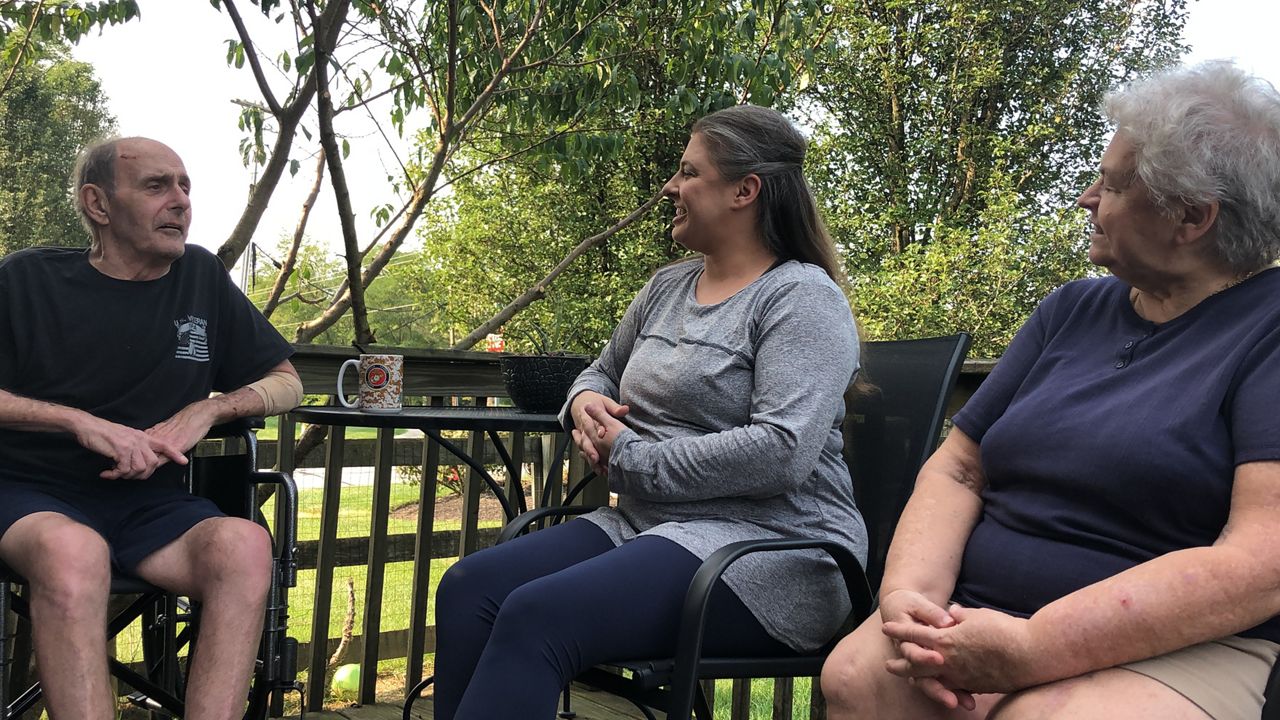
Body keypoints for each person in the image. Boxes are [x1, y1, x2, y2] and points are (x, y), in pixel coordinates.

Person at [820, 61, 1280, 720]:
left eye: (1112, 184)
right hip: (979, 612)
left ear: (1191, 216)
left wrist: (1035, 647)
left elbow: (1263, 561)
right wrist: (908, 604)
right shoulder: (1071, 310)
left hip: (1181, 648)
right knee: (858, 674)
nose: (1086, 198)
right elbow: (959, 467)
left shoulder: (1269, 327)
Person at [431, 104, 867, 719]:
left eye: (689, 173)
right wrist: (583, 401)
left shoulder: (801, 299)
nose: (670, 187)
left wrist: (633, 457)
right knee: (470, 589)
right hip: (646, 527)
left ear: (745, 191)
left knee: (538, 616)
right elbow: (600, 370)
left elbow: (781, 451)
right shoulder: (667, 287)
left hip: (770, 553)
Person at [0, 136, 305, 720]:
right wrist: (75, 422)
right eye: (156, 186)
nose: (181, 201)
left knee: (244, 546)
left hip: (151, 507)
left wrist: (210, 409)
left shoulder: (201, 278)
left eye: (185, 186)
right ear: (98, 204)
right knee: (74, 550)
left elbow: (287, 381)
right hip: (30, 496)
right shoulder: (27, 281)